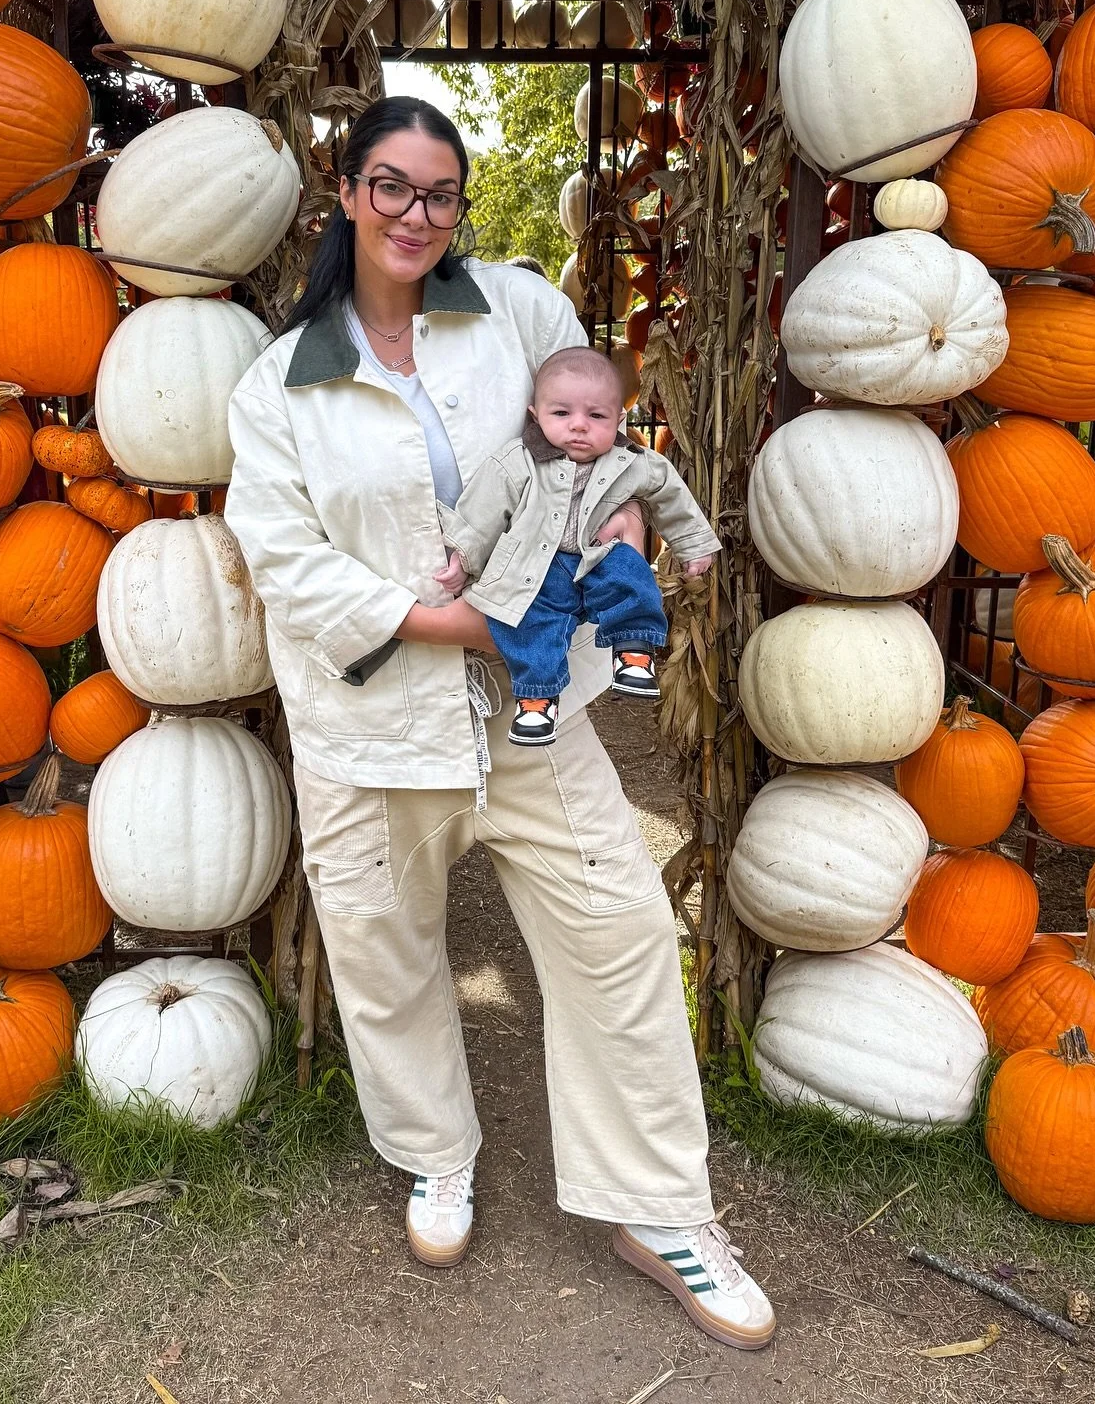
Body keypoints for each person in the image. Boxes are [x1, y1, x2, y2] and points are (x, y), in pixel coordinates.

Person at [223, 96, 775, 1350]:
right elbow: (285, 563)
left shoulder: (516, 312)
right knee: (385, 952)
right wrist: (459, 627)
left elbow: (584, 447)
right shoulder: (281, 384)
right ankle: (436, 1156)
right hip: (370, 725)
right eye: (392, 187)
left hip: (531, 715)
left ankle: (659, 1207)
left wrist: (621, 528)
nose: (417, 214)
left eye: (440, 193)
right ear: (347, 193)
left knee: (624, 930)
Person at [433, 345, 719, 746]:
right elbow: (485, 508)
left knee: (630, 572)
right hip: (538, 566)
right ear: (536, 415)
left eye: (596, 416)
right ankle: (536, 699)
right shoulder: (520, 460)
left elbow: (670, 494)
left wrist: (692, 544)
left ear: (619, 419)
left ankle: (633, 648)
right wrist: (464, 556)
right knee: (530, 622)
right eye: (561, 414)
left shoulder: (631, 461)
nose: (579, 426)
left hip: (596, 554)